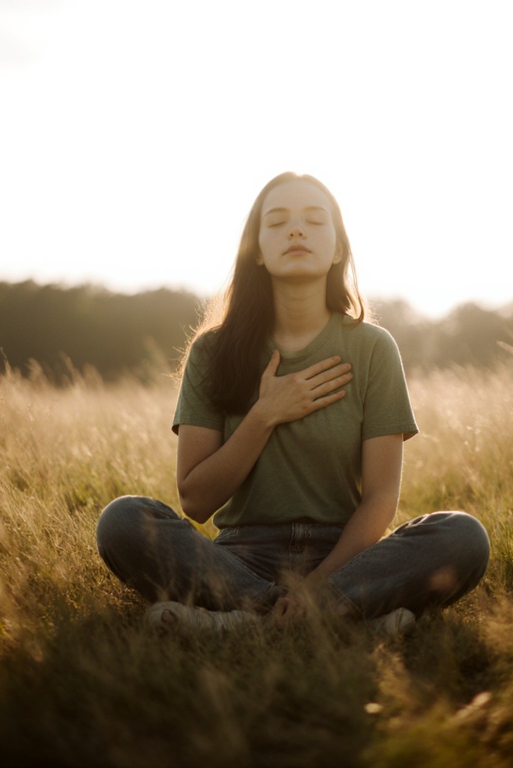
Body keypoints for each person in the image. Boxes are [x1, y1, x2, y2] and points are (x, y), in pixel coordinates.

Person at [96, 172, 489, 636]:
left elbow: (381, 499)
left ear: (338, 247)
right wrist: (265, 415)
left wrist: (319, 586)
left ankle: (247, 623)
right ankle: (331, 622)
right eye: (278, 222)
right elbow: (196, 500)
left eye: (314, 221)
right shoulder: (212, 352)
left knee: (462, 536)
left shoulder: (373, 349)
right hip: (241, 559)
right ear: (258, 250)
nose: (297, 231)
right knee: (122, 520)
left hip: (343, 558)